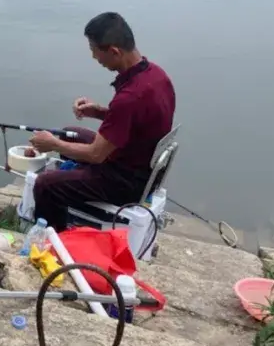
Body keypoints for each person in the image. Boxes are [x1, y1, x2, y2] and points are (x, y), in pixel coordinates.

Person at [28, 12, 176, 232]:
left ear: (114, 51)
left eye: (94, 51)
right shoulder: (156, 75)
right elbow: (137, 121)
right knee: (68, 133)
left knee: (45, 185)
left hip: (124, 181)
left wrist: (52, 145)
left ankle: (53, 239)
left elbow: (96, 155)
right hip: (139, 164)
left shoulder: (130, 97)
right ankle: (73, 198)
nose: (94, 58)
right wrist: (99, 112)